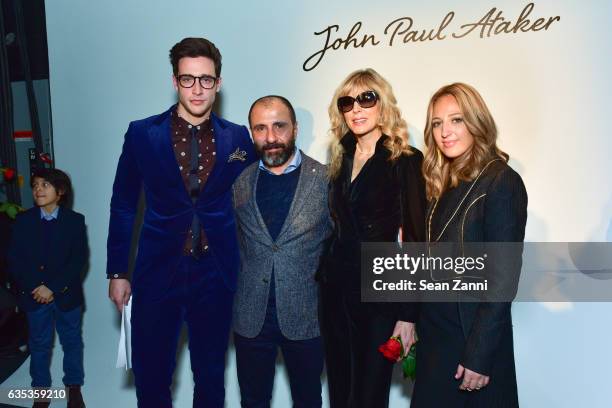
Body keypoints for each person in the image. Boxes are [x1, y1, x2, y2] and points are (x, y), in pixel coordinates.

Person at [106, 37, 255, 407]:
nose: (197, 89)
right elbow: (124, 203)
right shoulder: (142, 133)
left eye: (206, 79)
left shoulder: (238, 137)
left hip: (216, 276)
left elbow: (251, 201)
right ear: (175, 81)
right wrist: (117, 272)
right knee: (152, 375)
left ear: (218, 83)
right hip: (157, 272)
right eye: (188, 79)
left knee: (210, 377)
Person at [411, 82, 527, 407]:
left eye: (456, 120)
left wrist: (479, 355)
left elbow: (502, 281)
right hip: (437, 338)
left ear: (476, 122)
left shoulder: (501, 182)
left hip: (471, 342)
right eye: (437, 123)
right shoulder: (439, 182)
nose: (445, 131)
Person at [318, 68, 426, 408]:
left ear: (383, 105)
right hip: (335, 290)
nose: (356, 109)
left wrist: (408, 315)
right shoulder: (339, 158)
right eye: (347, 102)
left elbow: (417, 239)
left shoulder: (404, 159)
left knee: (368, 395)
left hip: (380, 292)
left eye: (367, 99)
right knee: (340, 390)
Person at [232, 95, 332, 407]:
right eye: (260, 129)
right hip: (251, 318)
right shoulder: (238, 182)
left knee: (307, 400)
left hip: (306, 317)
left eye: (279, 126)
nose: (271, 137)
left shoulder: (328, 180)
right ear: (251, 134)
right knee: (253, 401)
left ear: (296, 128)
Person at [8, 168, 87, 408]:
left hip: (66, 295)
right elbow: (14, 259)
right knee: (39, 344)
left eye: (45, 185)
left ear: (60, 191)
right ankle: (41, 392)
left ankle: (73, 388)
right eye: (35, 185)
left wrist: (52, 287)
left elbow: (78, 260)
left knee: (71, 341)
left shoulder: (75, 221)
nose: (38, 190)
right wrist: (36, 287)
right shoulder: (23, 220)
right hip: (33, 296)